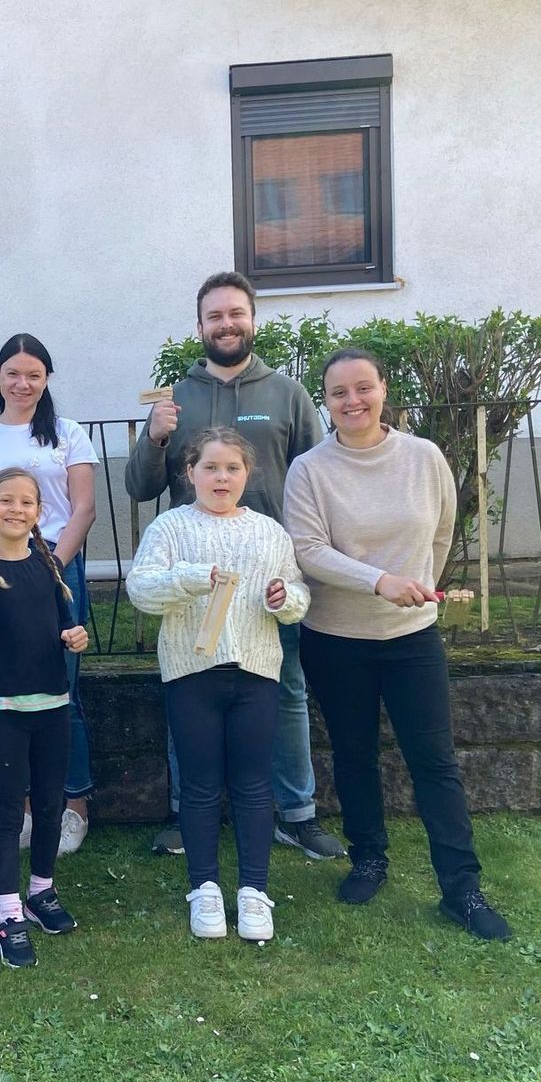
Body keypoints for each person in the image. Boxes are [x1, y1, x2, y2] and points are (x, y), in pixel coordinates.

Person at [283, 348, 511, 941]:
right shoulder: (309, 468)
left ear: (384, 390)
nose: (352, 401)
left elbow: (440, 531)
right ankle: (369, 858)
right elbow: (306, 549)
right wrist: (380, 581)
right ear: (324, 400)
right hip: (335, 639)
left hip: (412, 638)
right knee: (354, 756)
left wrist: (416, 584)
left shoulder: (423, 456)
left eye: (364, 388)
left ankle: (461, 890)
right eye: (338, 393)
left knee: (435, 762)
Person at [123, 271, 344, 862]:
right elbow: (140, 487)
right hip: (192, 581)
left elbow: (318, 476)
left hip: (268, 569)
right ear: (200, 327)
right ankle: (184, 813)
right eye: (215, 316)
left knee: (287, 689)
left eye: (235, 314)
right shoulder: (176, 398)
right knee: (185, 687)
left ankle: (296, 813)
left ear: (252, 320)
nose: (226, 324)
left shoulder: (288, 394)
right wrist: (154, 438)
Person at [127, 429, 309, 941]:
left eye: (232, 468)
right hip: (191, 672)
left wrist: (283, 599)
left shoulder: (270, 533)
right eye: (210, 468)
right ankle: (203, 887)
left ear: (247, 475)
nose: (221, 477)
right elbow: (141, 589)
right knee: (201, 785)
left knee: (253, 784)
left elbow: (296, 593)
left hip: (255, 671)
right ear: (190, 473)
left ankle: (254, 891)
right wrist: (188, 578)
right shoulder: (169, 528)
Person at [0, 333, 98, 856]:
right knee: (5, 688)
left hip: (54, 567)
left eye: (34, 374)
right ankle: (24, 811)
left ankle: (72, 805)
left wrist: (50, 567)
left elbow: (82, 509)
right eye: (13, 373)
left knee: (63, 690)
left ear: (46, 379)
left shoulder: (69, 434)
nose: (23, 383)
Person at [0, 467, 88, 968]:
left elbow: (65, 625)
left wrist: (75, 636)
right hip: (6, 712)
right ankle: (8, 914)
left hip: (54, 707)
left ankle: (41, 892)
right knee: (12, 812)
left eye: (27, 502)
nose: (16, 509)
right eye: (5, 501)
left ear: (39, 512)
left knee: (52, 804)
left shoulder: (50, 565)